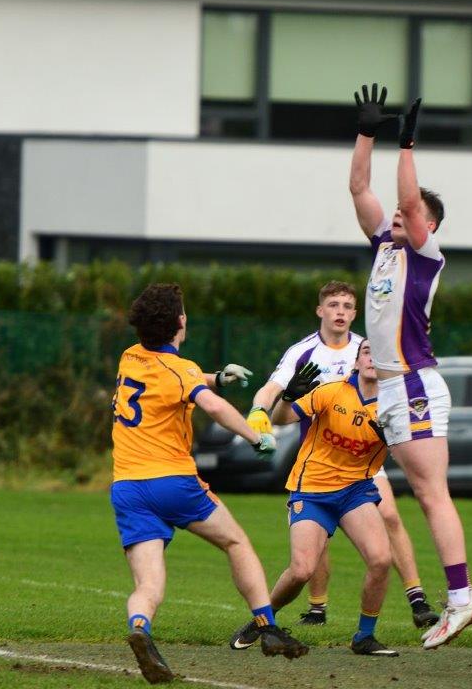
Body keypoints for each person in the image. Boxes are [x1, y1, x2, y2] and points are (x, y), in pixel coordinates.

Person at [109, 283, 306, 685]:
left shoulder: (129, 358)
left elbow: (175, 380)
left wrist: (216, 376)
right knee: (236, 542)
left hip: (128, 487)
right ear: (180, 322)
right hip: (172, 481)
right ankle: (267, 627)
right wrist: (257, 438)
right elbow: (209, 405)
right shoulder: (181, 371)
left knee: (149, 583)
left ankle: (140, 627)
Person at [348, 83, 472, 649]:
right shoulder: (384, 243)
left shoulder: (425, 255)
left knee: (431, 494)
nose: (404, 217)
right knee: (416, 492)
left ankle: (460, 598)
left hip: (415, 384)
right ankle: (451, 597)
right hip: (393, 388)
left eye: (415, 215)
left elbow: (405, 203)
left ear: (430, 226)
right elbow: (359, 187)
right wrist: (366, 133)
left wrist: (406, 144)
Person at [244, 280, 440, 630]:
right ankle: (317, 606)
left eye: (348, 306)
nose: (341, 312)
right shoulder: (304, 351)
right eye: (334, 305)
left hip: (363, 453)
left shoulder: (368, 349)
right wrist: (260, 410)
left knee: (391, 516)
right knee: (316, 538)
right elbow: (274, 389)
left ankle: (416, 597)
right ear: (320, 310)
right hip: (321, 453)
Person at [229, 340, 400, 657]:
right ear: (356, 362)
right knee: (302, 570)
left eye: (381, 353)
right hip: (313, 489)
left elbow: (410, 453)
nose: (374, 357)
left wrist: (394, 437)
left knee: (381, 560)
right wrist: (289, 397)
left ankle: (364, 637)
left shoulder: (394, 407)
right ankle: (262, 619)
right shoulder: (332, 391)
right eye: (366, 352)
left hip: (355, 491)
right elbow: (281, 419)